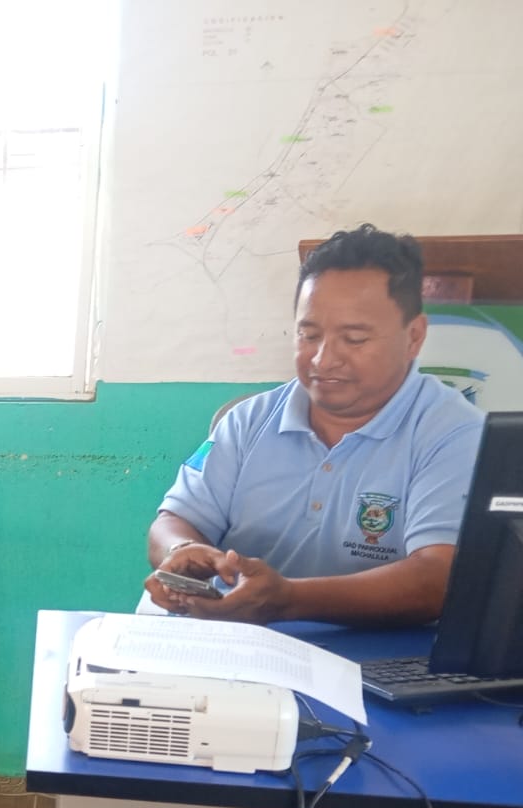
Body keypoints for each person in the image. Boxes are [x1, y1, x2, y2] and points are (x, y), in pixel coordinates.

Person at [144, 223, 483, 626]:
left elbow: (437, 578)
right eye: (308, 335)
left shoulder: (456, 434)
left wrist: (287, 600)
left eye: (354, 339)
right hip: (237, 642)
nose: (324, 359)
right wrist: (181, 550)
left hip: (380, 655)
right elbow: (174, 520)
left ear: (414, 336)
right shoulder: (248, 421)